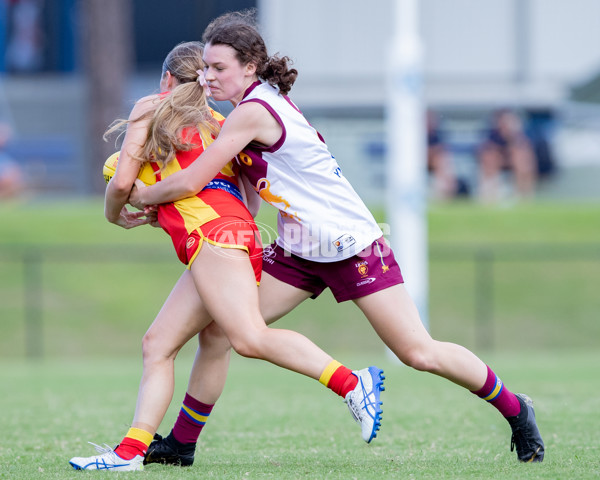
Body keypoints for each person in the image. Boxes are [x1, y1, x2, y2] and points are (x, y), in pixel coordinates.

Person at [129, 10, 545, 466]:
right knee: (221, 333)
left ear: (249, 67)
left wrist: (141, 194)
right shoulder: (245, 109)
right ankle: (182, 445)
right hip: (298, 250)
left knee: (418, 351)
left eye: (218, 67)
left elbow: (191, 181)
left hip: (350, 244)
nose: (207, 77)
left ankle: (515, 409)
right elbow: (244, 198)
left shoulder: (250, 112)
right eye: (205, 67)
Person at [68, 41, 384, 472]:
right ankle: (133, 452)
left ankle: (353, 383)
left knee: (249, 338)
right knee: (160, 343)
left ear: (166, 79)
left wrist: (115, 215)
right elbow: (249, 200)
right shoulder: (223, 122)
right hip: (235, 235)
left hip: (212, 239)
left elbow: (122, 184)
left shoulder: (150, 108)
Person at [477, 108, 537, 202]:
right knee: (490, 159)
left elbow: (524, 152)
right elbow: (487, 152)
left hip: (513, 162)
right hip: (497, 162)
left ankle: (523, 196)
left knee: (522, 162)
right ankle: (490, 195)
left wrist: (511, 138)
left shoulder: (518, 136)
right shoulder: (492, 135)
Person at [426, 109, 457, 200]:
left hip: (435, 164)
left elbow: (442, 149)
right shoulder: (411, 134)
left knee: (442, 161)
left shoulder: (436, 135)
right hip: (417, 164)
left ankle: (445, 195)